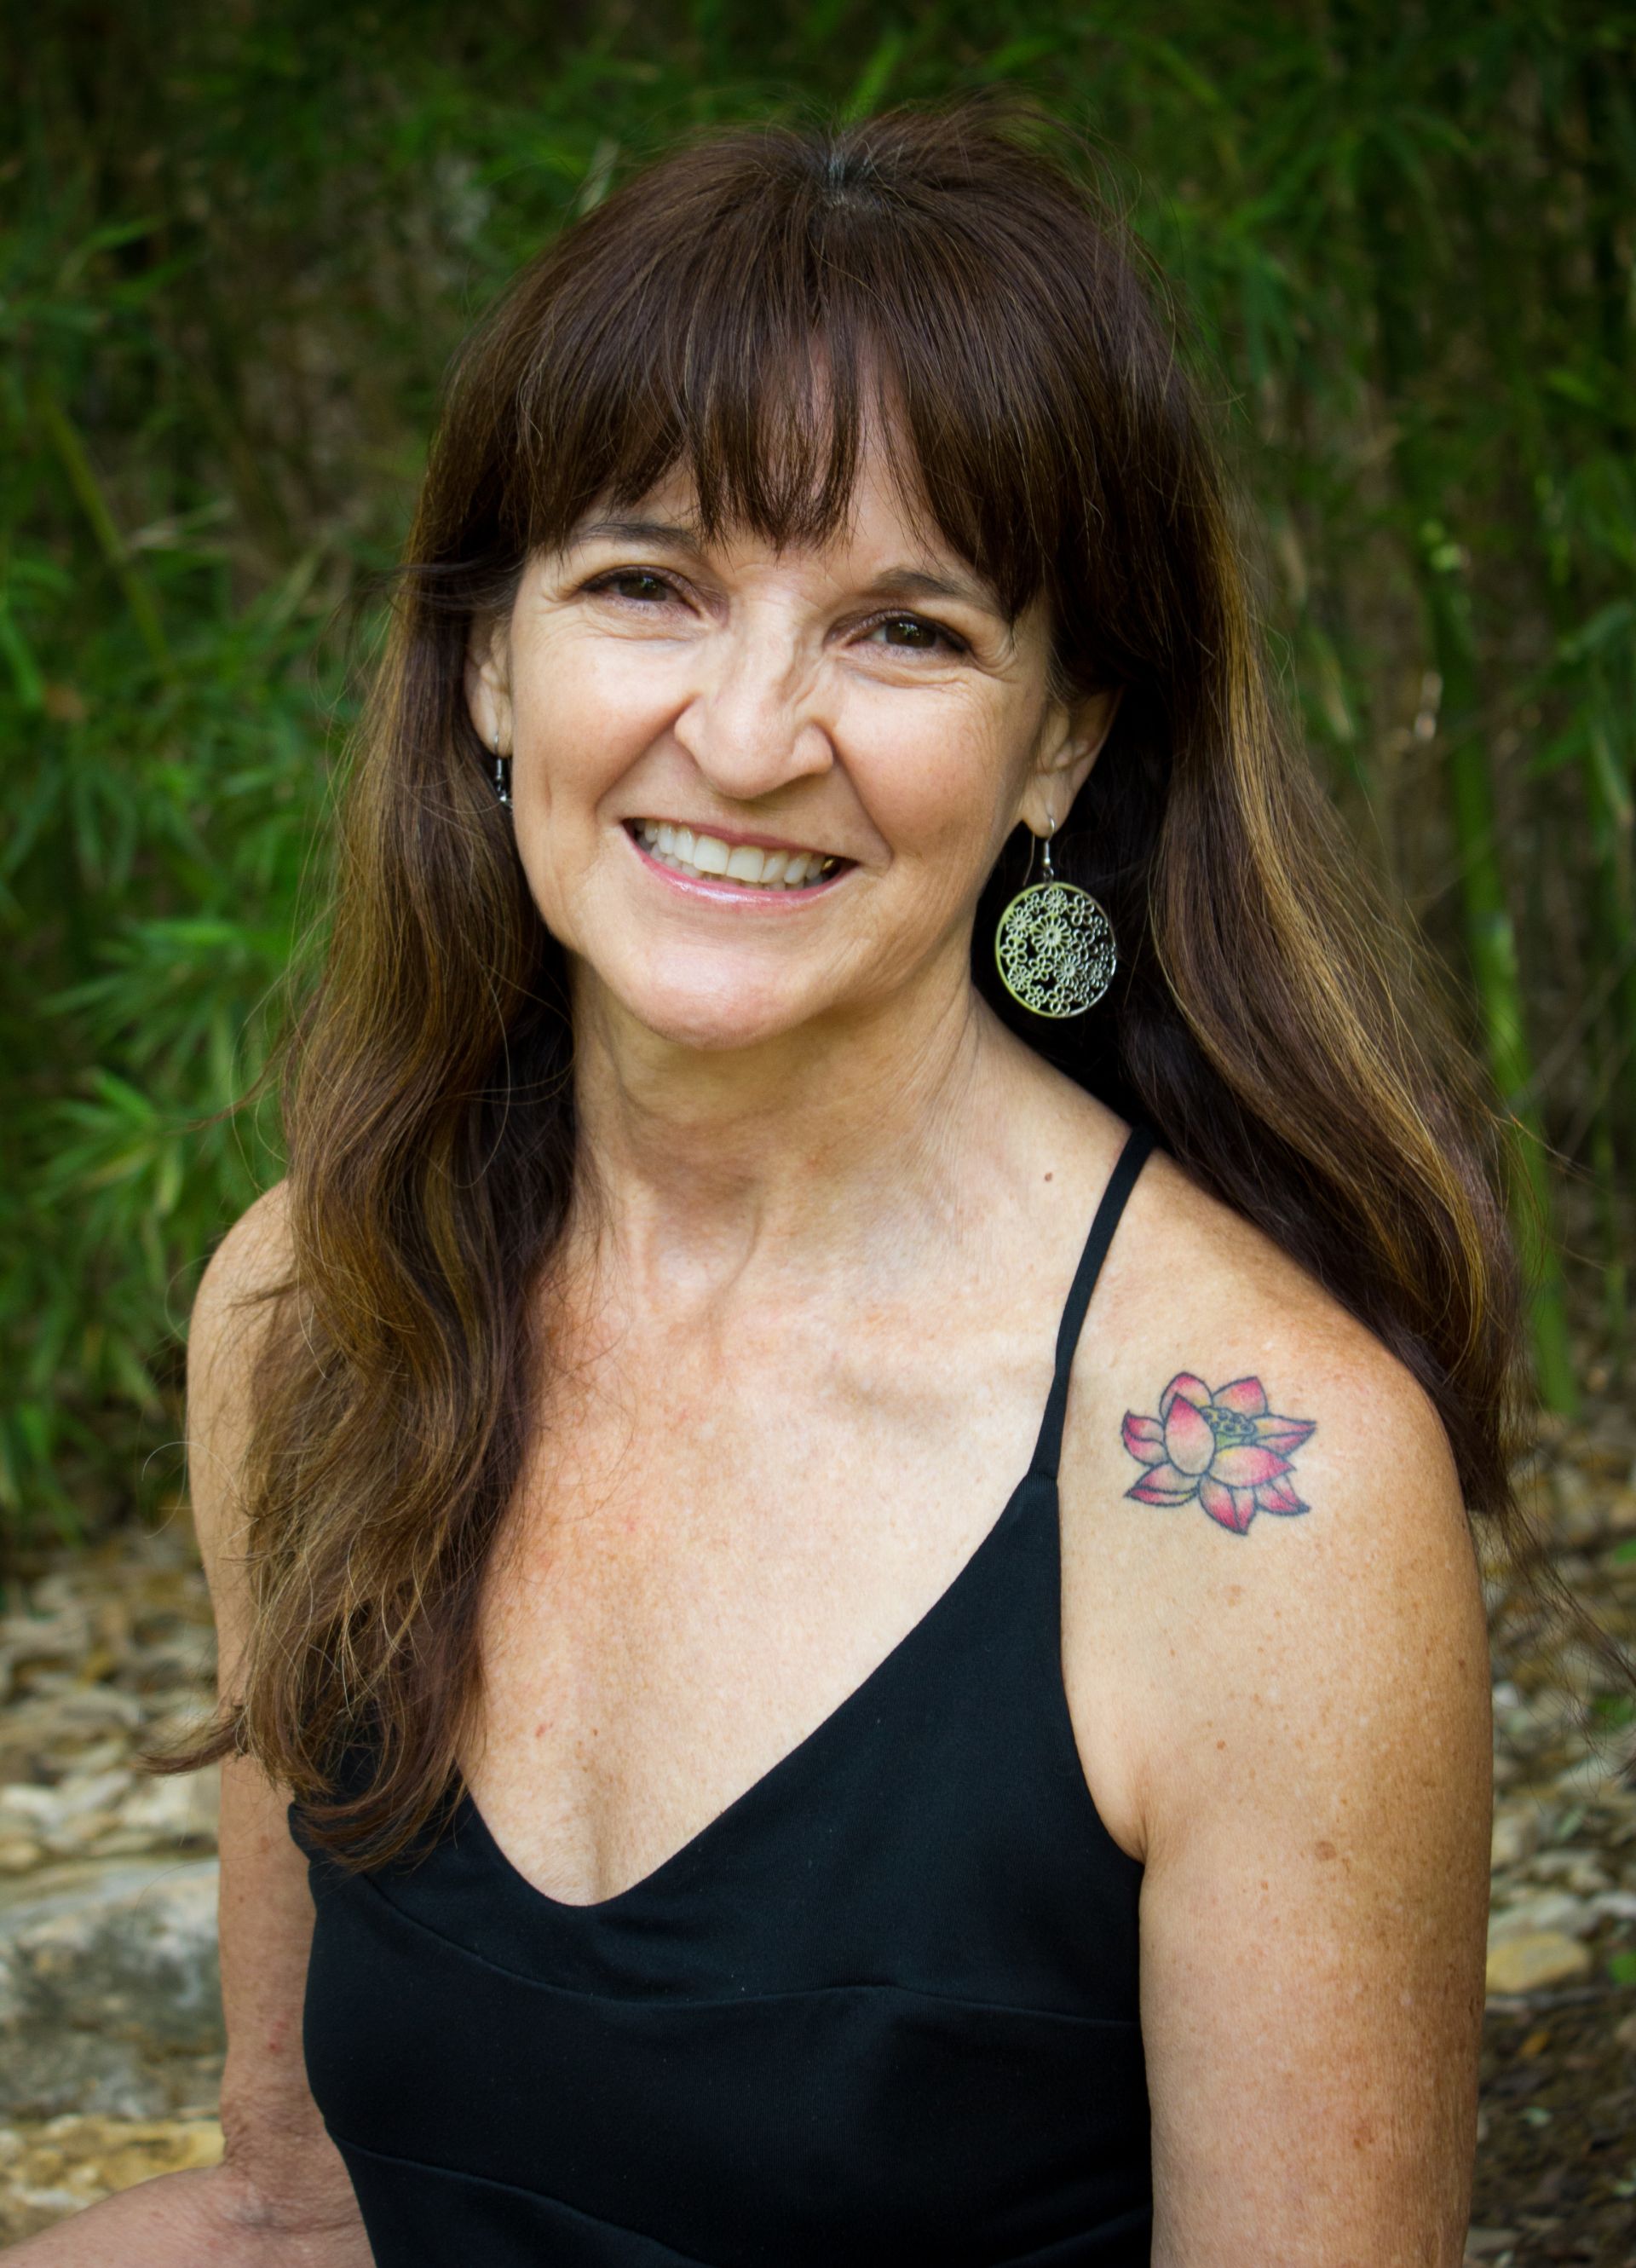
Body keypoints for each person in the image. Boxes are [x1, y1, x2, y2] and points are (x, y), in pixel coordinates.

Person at [12, 94, 1516, 2267]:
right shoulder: (315, 1313)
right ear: (486, 666)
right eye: (649, 584)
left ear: (1061, 743)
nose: (746, 729)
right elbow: (294, 2209)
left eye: (901, 628)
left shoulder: (1257, 1495)